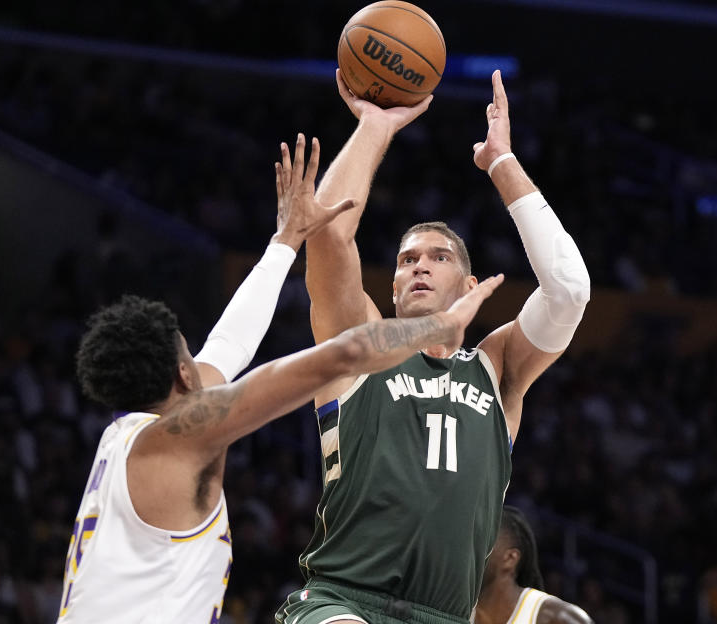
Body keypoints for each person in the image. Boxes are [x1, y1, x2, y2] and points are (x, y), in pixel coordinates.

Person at [56, 134, 505, 623]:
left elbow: (230, 345)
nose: (204, 362)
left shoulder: (125, 436)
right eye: (191, 353)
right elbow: (346, 353)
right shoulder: (184, 437)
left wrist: (285, 241)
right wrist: (442, 324)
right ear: (184, 376)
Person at [277, 69, 590, 624]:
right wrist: (375, 125)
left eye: (438, 256)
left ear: (470, 288)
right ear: (392, 288)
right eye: (406, 260)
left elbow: (569, 290)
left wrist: (501, 163)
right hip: (343, 602)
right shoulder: (361, 344)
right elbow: (326, 231)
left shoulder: (498, 369)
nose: (420, 263)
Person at [474, 506, 593, 624]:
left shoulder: (558, 618)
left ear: (510, 559)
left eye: (478, 544)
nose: (468, 555)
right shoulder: (461, 612)